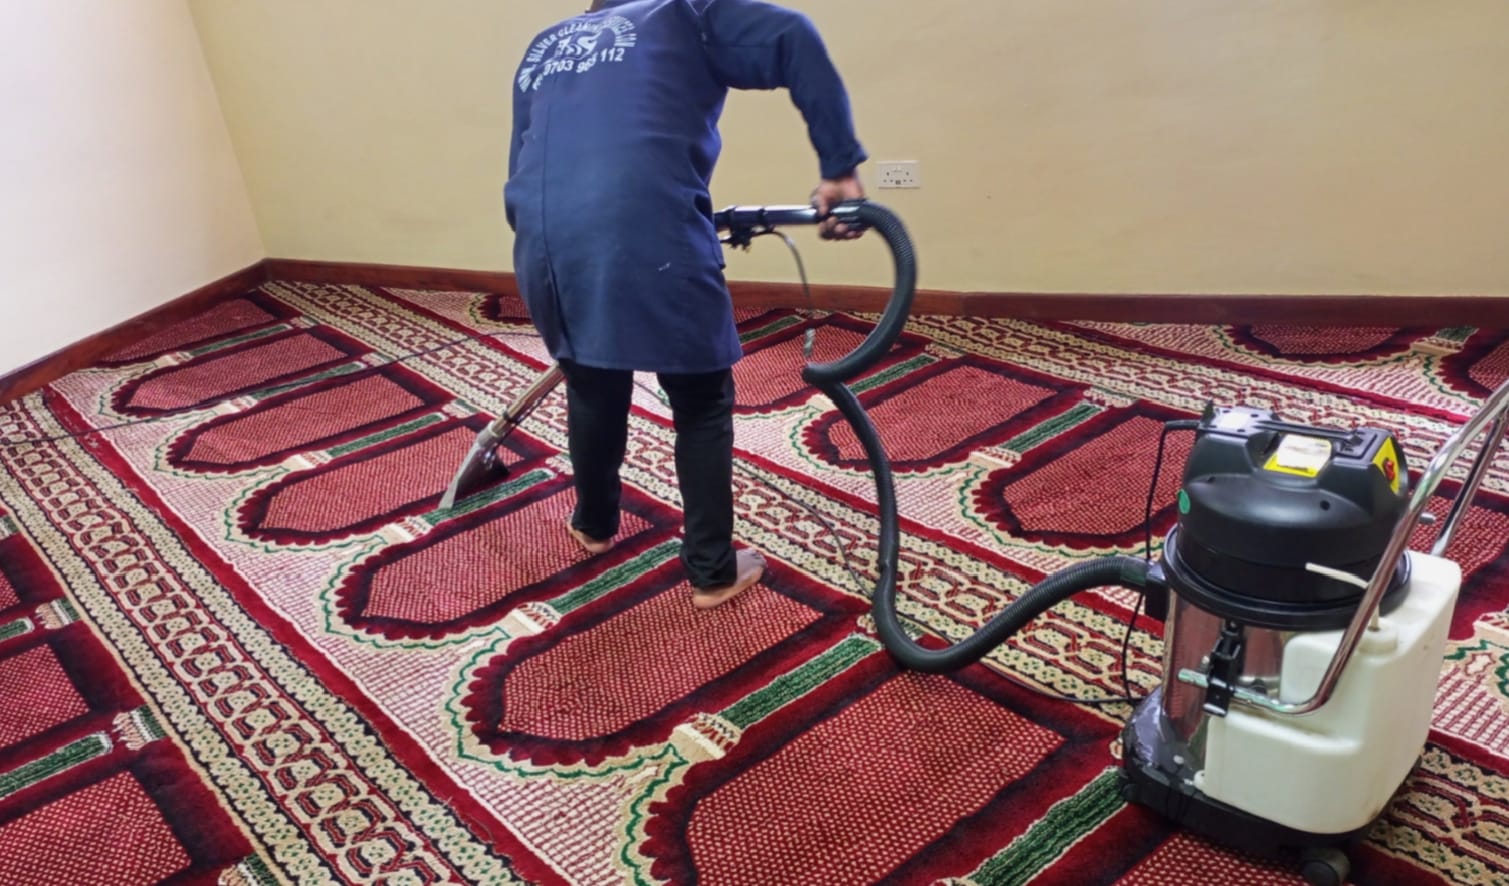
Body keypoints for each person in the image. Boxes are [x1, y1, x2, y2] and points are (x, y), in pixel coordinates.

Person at [504, 0, 867, 608]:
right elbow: (791, 35)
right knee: (700, 400)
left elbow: (522, 154)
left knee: (592, 383)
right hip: (647, 227)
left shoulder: (547, 43)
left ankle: (593, 524)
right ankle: (712, 571)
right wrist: (840, 169)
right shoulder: (682, 12)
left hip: (543, 236)